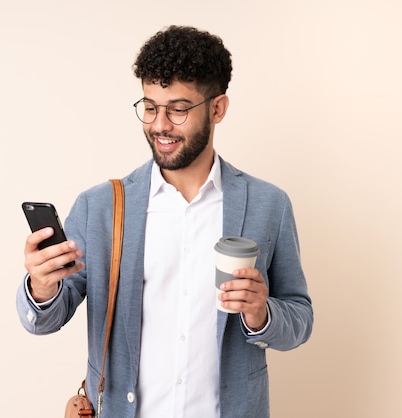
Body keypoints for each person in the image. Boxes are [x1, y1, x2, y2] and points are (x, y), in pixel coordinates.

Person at [17, 25, 313, 418]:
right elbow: (44, 322)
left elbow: (300, 319)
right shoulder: (101, 206)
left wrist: (262, 313)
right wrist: (41, 286)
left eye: (178, 109)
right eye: (151, 107)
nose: (159, 125)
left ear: (218, 108)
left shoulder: (267, 204)